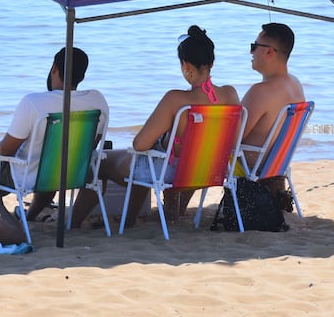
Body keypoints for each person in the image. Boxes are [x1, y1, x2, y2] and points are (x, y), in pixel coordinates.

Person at [70, 25, 240, 227]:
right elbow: (233, 139)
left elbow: (140, 144)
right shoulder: (230, 94)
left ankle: (73, 225)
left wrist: (159, 139)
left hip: (173, 174)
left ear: (185, 65)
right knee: (146, 156)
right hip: (210, 169)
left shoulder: (176, 99)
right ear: (212, 62)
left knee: (99, 163)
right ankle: (130, 219)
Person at [0, 47, 109, 222]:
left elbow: (5, 150)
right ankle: (32, 216)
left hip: (30, 177)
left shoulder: (33, 103)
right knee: (53, 163)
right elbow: (91, 144)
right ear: (82, 76)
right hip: (73, 173)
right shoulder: (97, 100)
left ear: (54, 68)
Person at [240, 22, 306, 209]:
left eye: (254, 46)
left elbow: (232, 139)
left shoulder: (261, 92)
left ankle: (173, 215)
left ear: (269, 52)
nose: (251, 52)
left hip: (250, 166)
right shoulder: (295, 84)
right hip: (275, 165)